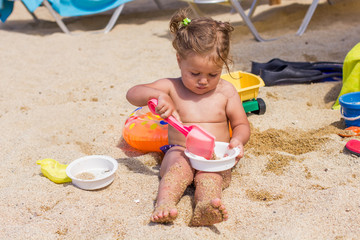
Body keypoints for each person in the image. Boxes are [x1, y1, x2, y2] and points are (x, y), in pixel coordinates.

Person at [126, 8, 250, 226]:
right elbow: (133, 93)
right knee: (177, 168)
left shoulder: (226, 91)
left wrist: (238, 140)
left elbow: (241, 124)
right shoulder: (171, 87)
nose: (203, 81)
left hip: (214, 157)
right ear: (179, 60)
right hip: (181, 151)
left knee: (210, 178)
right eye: (195, 73)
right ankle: (164, 204)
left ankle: (205, 207)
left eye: (213, 74)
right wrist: (158, 95)